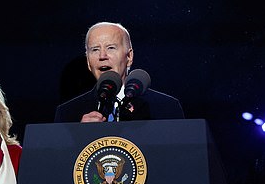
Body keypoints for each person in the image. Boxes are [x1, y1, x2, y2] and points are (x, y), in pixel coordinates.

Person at [54, 21, 184, 122]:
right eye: (95, 50)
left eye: (111, 48)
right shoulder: (67, 114)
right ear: (88, 62)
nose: (102, 56)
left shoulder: (165, 108)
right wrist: (81, 135)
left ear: (129, 57)